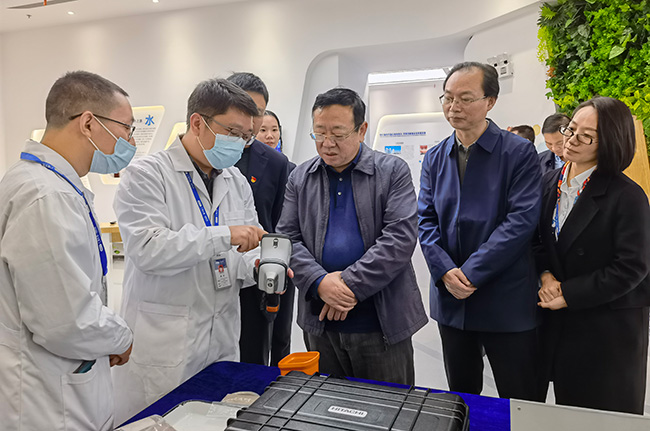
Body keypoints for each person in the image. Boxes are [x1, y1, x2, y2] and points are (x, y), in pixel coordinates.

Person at [112, 78, 265, 423]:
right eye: (233, 132)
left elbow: (245, 248)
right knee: (159, 422)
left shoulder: (236, 181)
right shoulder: (147, 175)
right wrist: (223, 235)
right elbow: (148, 249)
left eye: (246, 136)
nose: (239, 144)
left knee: (214, 422)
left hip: (221, 339)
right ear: (198, 123)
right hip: (165, 345)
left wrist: (258, 266)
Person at [0, 70, 134, 431]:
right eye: (126, 128)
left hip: (60, 387)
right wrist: (121, 337)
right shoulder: (46, 195)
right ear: (88, 123)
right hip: (47, 402)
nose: (130, 141)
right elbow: (64, 320)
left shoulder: (52, 185)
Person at [276, 87, 427, 385]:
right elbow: (287, 238)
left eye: (338, 133)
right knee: (326, 405)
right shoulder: (300, 177)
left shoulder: (391, 171)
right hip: (320, 322)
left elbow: (399, 240)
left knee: (388, 405)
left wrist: (346, 286)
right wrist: (320, 283)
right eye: (319, 133)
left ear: (362, 130)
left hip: (380, 322)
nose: (327, 143)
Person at [418, 62, 542, 400]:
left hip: (504, 297)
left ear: (490, 101)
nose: (453, 107)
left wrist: (471, 273)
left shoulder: (518, 152)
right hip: (451, 297)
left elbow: (520, 221)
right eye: (448, 98)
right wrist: (445, 271)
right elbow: (425, 220)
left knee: (519, 400)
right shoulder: (435, 157)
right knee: (462, 397)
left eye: (465, 98)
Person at [535, 96, 650, 414]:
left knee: (602, 415)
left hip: (607, 328)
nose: (571, 140)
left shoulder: (627, 196)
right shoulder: (550, 182)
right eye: (570, 129)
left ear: (611, 141)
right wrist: (545, 275)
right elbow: (537, 240)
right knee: (566, 411)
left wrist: (568, 294)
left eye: (586, 136)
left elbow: (632, 267)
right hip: (558, 323)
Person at [227, 72, 295, 367]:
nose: (254, 123)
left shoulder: (276, 163)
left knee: (257, 355)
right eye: (247, 111)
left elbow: (280, 224)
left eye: (259, 112)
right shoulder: (210, 159)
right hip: (210, 274)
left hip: (256, 274)